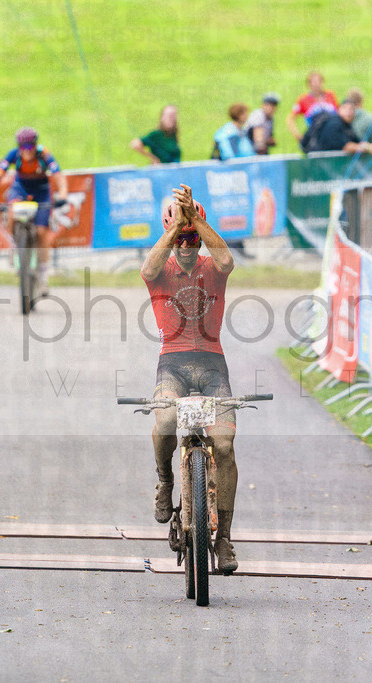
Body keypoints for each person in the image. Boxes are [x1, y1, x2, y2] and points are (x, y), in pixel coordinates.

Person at [140, 183, 240, 575]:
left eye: (192, 239)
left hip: (213, 365)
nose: (186, 244)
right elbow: (147, 269)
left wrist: (196, 221)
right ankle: (165, 480)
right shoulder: (160, 270)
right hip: (173, 365)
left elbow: (228, 261)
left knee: (225, 446)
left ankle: (225, 537)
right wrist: (176, 226)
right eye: (180, 238)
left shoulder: (211, 266)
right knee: (164, 420)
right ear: (169, 235)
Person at [0, 127, 68, 291]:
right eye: (23, 147)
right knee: (10, 211)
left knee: (41, 232)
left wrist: (63, 194)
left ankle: (43, 276)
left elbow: (58, 176)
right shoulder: (13, 155)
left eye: (30, 147)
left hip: (41, 191)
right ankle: (16, 246)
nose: (26, 151)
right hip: (20, 189)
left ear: (35, 145)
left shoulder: (44, 154)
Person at [301, 99, 372, 155]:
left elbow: (356, 142)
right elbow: (346, 147)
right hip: (320, 164)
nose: (349, 112)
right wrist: (368, 148)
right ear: (339, 109)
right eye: (346, 108)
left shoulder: (347, 126)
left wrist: (371, 145)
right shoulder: (334, 124)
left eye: (352, 110)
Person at [286, 70, 339, 143]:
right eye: (313, 82)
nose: (316, 84)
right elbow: (290, 118)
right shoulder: (303, 100)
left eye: (318, 81)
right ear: (309, 84)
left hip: (334, 134)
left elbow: (339, 112)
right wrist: (298, 136)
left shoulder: (330, 95)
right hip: (316, 137)